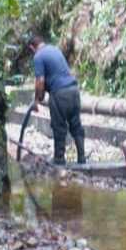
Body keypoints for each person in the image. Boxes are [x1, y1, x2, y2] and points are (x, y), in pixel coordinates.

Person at [28, 35, 86, 165]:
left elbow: (40, 81)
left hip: (60, 94)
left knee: (59, 126)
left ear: (32, 47)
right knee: (76, 125)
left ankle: (59, 159)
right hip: (74, 90)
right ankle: (82, 158)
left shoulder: (38, 56)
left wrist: (38, 99)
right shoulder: (55, 49)